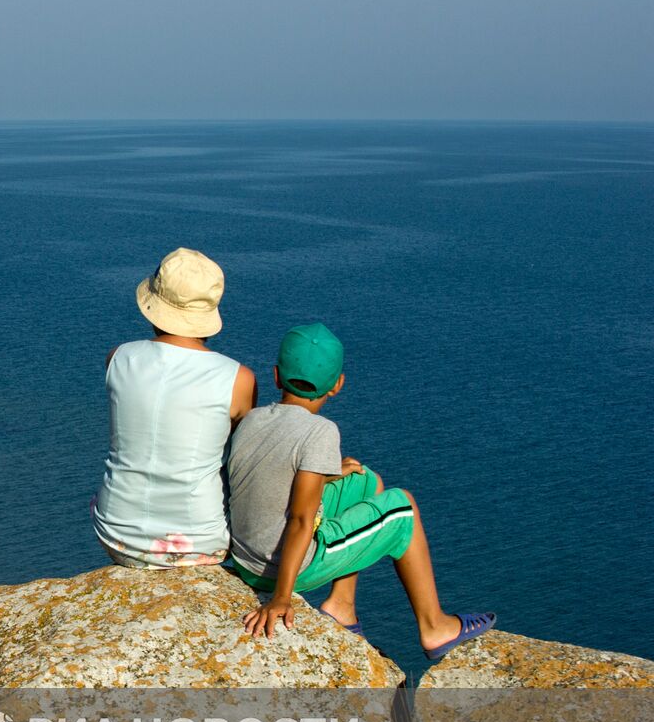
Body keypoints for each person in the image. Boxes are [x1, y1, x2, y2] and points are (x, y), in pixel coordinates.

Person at [226, 323, 495, 659]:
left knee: (366, 481)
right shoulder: (320, 431)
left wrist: (328, 475)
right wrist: (282, 596)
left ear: (277, 376)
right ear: (337, 385)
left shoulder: (254, 418)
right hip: (284, 569)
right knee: (402, 507)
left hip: (245, 557)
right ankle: (434, 626)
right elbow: (299, 519)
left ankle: (342, 606)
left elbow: (266, 478)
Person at [92, 248, 257, 569]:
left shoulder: (118, 357)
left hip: (115, 532)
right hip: (198, 544)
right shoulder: (238, 379)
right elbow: (241, 456)